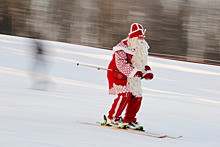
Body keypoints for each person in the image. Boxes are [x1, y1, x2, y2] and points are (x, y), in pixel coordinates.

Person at [105, 23, 154, 130]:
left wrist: (146, 72)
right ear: (133, 37)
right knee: (124, 94)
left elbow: (141, 63)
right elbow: (121, 64)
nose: (141, 39)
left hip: (130, 76)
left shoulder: (139, 48)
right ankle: (112, 118)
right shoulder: (122, 48)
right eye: (139, 37)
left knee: (137, 95)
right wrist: (135, 72)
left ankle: (129, 119)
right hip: (116, 75)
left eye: (142, 37)